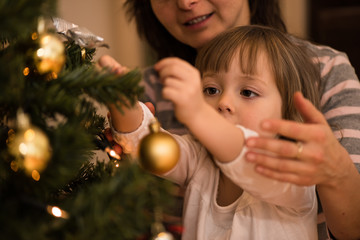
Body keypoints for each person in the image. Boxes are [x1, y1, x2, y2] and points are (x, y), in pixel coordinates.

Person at [99, 1, 360, 239]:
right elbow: (151, 145)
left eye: (247, 92)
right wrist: (123, 103)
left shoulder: (291, 169)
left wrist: (199, 112)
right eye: (211, 90)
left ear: (290, 114)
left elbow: (244, 153)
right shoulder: (199, 157)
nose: (223, 103)